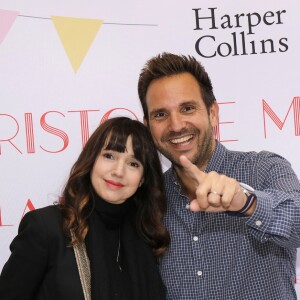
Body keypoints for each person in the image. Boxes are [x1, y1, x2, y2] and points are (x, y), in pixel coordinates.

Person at [137, 52, 300, 299]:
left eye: (188, 108)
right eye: (161, 115)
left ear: (213, 113)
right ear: (148, 125)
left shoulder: (263, 168)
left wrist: (246, 203)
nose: (177, 125)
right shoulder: (150, 199)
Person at [0, 117, 170, 300]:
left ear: (142, 179)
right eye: (109, 156)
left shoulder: (147, 236)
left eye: (133, 164)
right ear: (91, 160)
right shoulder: (46, 227)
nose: (119, 171)